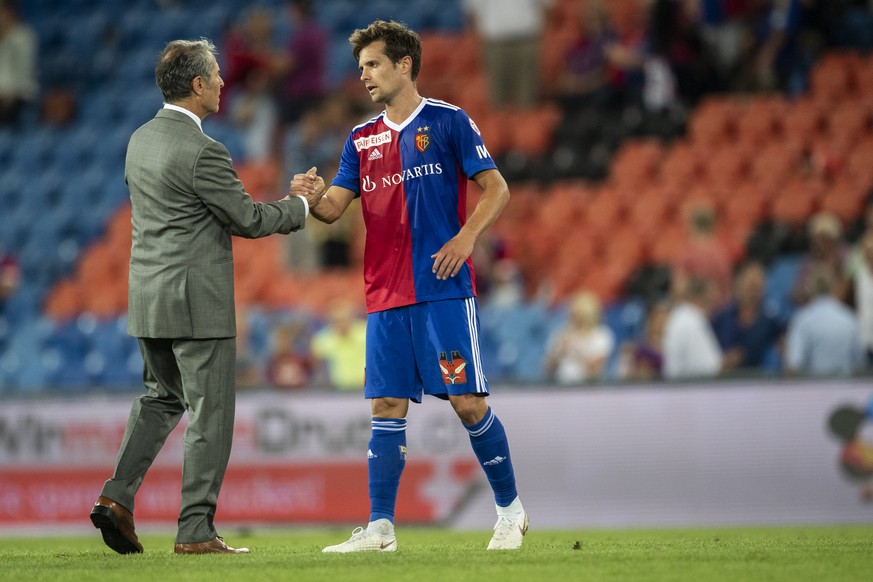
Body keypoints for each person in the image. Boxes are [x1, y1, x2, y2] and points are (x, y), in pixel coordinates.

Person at [291, 20, 527, 552]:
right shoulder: (361, 137)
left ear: (404, 65)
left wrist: (467, 238)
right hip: (385, 296)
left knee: (466, 402)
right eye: (360, 68)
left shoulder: (448, 121)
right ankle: (380, 529)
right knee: (387, 409)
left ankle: (510, 513)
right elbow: (333, 209)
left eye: (374, 65)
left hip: (442, 290)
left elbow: (497, 188)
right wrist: (310, 195)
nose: (365, 76)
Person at [89, 39, 324, 556]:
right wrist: (300, 206)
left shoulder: (139, 140)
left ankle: (116, 498)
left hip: (148, 299)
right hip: (197, 305)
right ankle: (195, 530)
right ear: (197, 85)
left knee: (160, 399)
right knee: (209, 415)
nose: (223, 82)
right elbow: (248, 219)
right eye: (216, 75)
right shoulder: (203, 150)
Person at [463, 0, 554, 108]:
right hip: (495, 42)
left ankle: (527, 121)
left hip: (527, 39)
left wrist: (546, 38)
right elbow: (473, 12)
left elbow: (547, 7)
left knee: (528, 97)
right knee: (497, 97)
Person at [785, 264, 864, 376]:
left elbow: (794, 364)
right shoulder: (849, 319)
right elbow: (860, 364)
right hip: (845, 388)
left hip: (813, 389)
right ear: (834, 286)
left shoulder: (803, 319)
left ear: (811, 288)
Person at [712, 260, 785, 374]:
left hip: (757, 380)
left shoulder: (769, 321)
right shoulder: (722, 317)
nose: (753, 292)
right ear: (738, 285)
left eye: (757, 287)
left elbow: (783, 346)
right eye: (750, 286)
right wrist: (722, 361)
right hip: (725, 381)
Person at [543, 290, 615, 384]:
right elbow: (547, 368)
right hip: (562, 386)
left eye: (575, 314)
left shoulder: (601, 335)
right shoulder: (561, 332)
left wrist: (576, 351)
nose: (571, 316)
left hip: (587, 388)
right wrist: (560, 351)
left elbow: (595, 371)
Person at [662, 276, 723, 379]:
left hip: (679, 386)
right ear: (700, 297)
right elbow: (708, 368)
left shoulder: (680, 317)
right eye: (711, 298)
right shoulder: (692, 321)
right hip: (688, 389)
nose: (714, 304)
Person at [311, 301, 367, 390]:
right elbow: (316, 362)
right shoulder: (323, 339)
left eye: (344, 319)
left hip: (364, 386)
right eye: (337, 321)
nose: (341, 324)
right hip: (336, 388)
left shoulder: (365, 332)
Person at [0, 0, 37, 125]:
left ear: (10, 13)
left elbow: (22, 76)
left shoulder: (23, 37)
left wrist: (9, 95)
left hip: (17, 97)